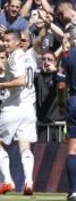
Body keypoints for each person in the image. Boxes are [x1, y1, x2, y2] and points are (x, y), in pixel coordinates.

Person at [0, 30, 37, 196]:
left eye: (9, 41)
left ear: (18, 42)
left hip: (13, 106)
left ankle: (8, 181)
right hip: (28, 107)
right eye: (4, 40)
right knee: (24, 145)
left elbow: (21, 81)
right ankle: (29, 181)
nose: (5, 43)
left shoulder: (15, 56)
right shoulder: (29, 57)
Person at [58, 43, 76, 201]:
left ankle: (73, 190)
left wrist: (60, 104)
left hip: (74, 101)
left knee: (73, 149)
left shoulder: (66, 55)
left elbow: (61, 83)